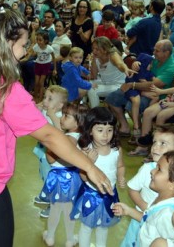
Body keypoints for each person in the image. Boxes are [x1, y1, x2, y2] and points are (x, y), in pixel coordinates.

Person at [0, 9, 113, 247]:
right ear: (6, 43)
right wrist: (89, 166)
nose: (25, 51)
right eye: (23, 45)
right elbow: (49, 135)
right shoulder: (6, 89)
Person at [121, 124, 174, 247]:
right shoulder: (148, 168)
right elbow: (133, 188)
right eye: (154, 142)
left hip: (159, 222)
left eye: (163, 143)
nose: (155, 147)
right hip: (143, 218)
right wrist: (146, 208)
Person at [71, 107, 126, 247]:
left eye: (110, 130)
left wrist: (121, 176)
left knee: (104, 225)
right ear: (90, 130)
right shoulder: (86, 151)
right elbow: (83, 178)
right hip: (91, 195)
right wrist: (89, 162)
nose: (105, 135)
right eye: (100, 130)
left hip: (109, 194)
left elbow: (120, 166)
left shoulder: (116, 150)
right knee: (87, 226)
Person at [106, 39, 174, 143]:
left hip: (157, 95)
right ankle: (125, 127)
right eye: (154, 50)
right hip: (140, 89)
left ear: (166, 53)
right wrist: (136, 63)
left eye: (157, 51)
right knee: (112, 98)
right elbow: (141, 64)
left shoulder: (172, 68)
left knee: (132, 105)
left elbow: (153, 85)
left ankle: (139, 131)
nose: (154, 53)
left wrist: (132, 85)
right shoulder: (155, 59)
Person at [41, 102, 89, 247]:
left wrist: (48, 145)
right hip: (73, 176)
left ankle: (50, 236)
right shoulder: (80, 136)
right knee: (69, 209)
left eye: (66, 116)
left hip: (60, 177)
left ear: (78, 121)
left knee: (55, 208)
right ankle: (69, 239)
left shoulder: (69, 139)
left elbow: (50, 158)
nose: (61, 118)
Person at [137, 47, 174, 147]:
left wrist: (173, 103)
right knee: (148, 112)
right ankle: (144, 143)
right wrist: (167, 98)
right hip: (172, 100)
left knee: (162, 115)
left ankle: (159, 144)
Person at [33, 85, 68, 219]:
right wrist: (38, 106)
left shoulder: (60, 116)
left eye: (50, 99)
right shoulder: (45, 109)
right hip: (43, 150)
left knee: (52, 179)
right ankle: (47, 195)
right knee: (44, 175)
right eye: (45, 97)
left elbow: (61, 133)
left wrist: (52, 116)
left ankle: (54, 206)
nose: (45, 101)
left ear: (59, 105)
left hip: (53, 155)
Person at [87, 36, 134, 108]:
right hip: (106, 83)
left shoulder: (113, 55)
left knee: (91, 89)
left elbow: (120, 64)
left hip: (118, 85)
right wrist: (94, 58)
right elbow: (94, 76)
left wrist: (125, 69)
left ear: (105, 50)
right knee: (87, 84)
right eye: (93, 48)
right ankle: (85, 106)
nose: (94, 51)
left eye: (97, 49)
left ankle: (95, 113)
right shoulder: (97, 57)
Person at [124, 53, 155, 142]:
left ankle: (147, 115)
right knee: (136, 101)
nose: (151, 65)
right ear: (144, 63)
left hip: (140, 89)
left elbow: (154, 80)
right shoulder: (140, 71)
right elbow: (144, 83)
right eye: (150, 63)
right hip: (131, 89)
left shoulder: (148, 72)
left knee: (155, 97)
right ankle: (136, 125)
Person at [22, 31, 56, 103]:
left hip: (46, 65)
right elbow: (30, 55)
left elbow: (54, 58)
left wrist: (55, 69)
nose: (38, 41)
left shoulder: (49, 48)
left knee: (41, 82)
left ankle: (40, 99)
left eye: (40, 40)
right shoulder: (36, 47)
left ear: (46, 41)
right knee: (36, 82)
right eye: (37, 39)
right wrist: (23, 59)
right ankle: (35, 97)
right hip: (38, 64)